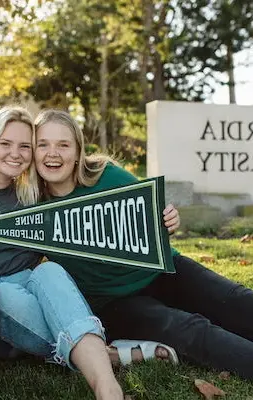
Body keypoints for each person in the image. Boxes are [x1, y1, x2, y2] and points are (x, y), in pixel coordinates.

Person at [34, 108, 253, 379]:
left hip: (160, 269)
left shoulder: (108, 177)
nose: (52, 153)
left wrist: (168, 218)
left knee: (234, 300)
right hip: (113, 302)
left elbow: (154, 213)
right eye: (42, 144)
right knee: (190, 329)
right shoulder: (30, 209)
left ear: (78, 151)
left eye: (63, 144)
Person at [0, 106, 124, 400]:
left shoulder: (34, 195)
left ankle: (107, 390)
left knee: (49, 271)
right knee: (1, 290)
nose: (16, 153)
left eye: (25, 146)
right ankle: (109, 355)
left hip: (35, 283)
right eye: (5, 143)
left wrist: (160, 216)